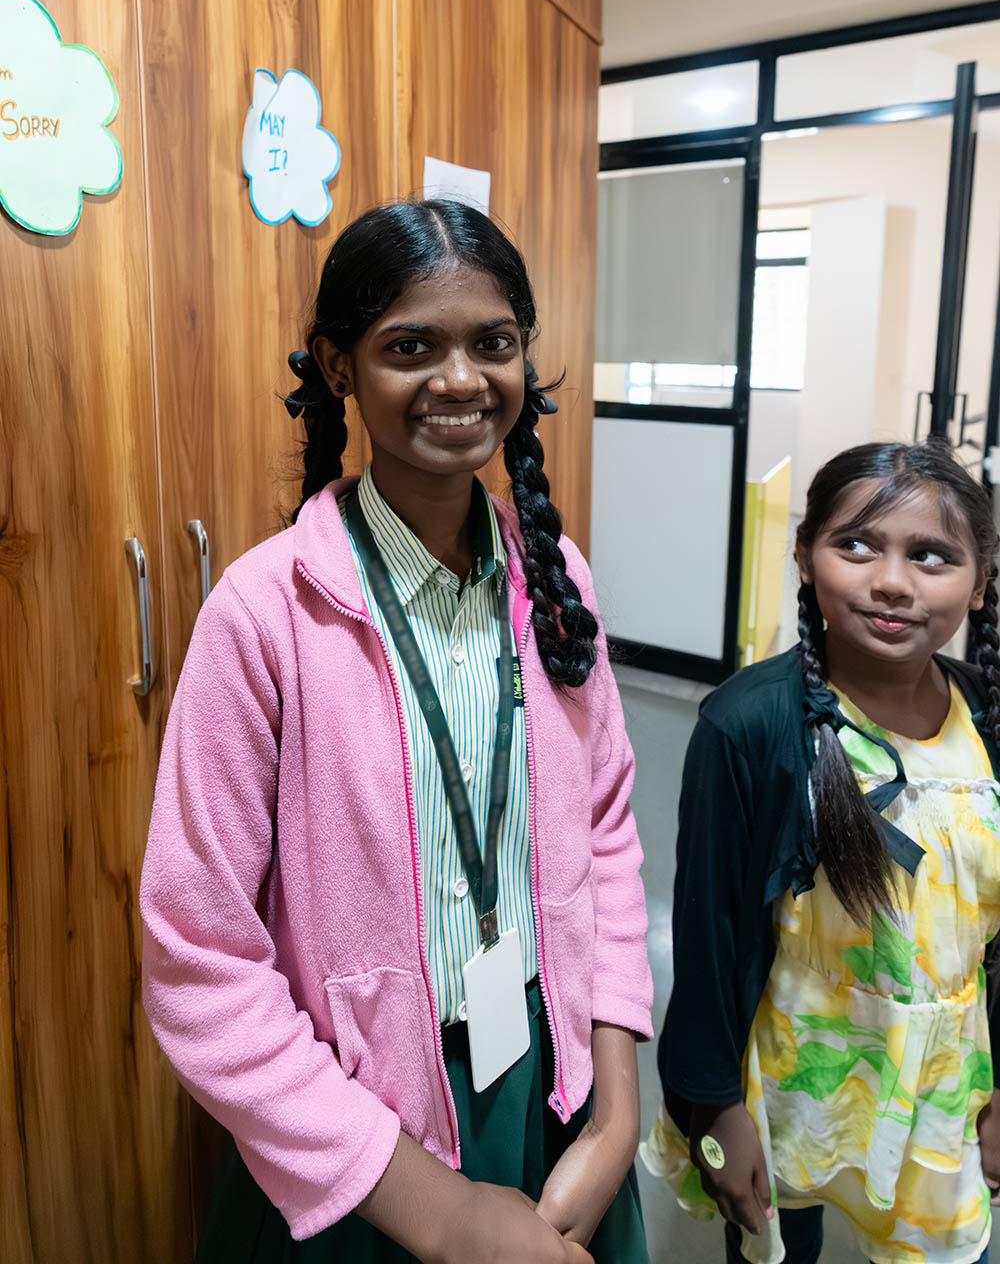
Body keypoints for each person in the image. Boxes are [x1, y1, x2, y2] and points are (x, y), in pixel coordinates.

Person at [140, 199, 652, 1263]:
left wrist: (618, 1111)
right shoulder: (263, 611)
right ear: (338, 366)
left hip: (549, 1081)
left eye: (493, 342)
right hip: (359, 1137)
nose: (460, 379)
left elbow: (605, 832)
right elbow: (200, 959)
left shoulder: (557, 584)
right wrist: (443, 1213)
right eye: (410, 346)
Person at [645, 439, 1000, 1264]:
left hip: (944, 1086)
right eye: (857, 545)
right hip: (788, 1083)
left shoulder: (987, 722)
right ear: (805, 556)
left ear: (980, 583)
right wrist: (711, 1106)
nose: (892, 581)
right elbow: (710, 937)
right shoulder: (750, 725)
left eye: (932, 556)